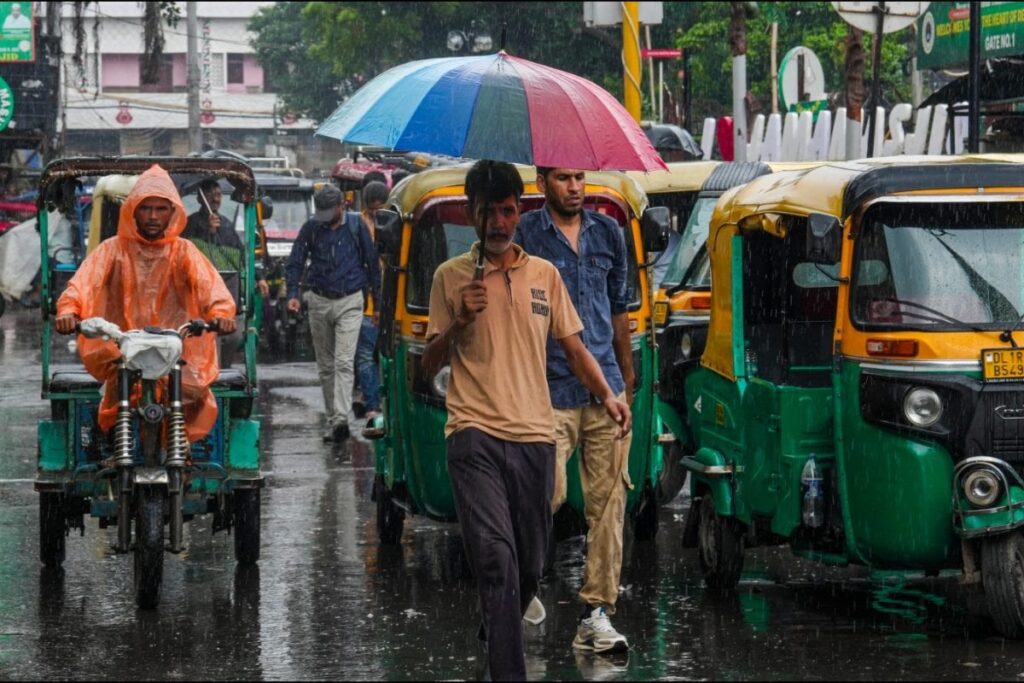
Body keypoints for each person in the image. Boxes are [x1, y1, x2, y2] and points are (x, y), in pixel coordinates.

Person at [422, 160, 631, 681]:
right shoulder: (450, 278)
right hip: (473, 435)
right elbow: (425, 366)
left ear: (519, 212)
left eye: (507, 211)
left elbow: (576, 348)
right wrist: (459, 321)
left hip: (535, 435)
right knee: (497, 558)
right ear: (471, 214)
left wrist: (609, 394)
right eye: (488, 212)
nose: (498, 222)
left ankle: (499, 621)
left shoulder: (544, 275)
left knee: (532, 562)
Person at [516, 166, 635, 654]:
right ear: (543, 182)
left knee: (608, 506)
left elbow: (619, 309)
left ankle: (595, 614)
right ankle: (519, 583)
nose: (575, 187)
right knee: (547, 493)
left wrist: (626, 381)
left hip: (605, 389)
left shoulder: (609, 232)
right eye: (564, 178)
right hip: (548, 388)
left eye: (580, 177)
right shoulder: (525, 234)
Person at [54, 164, 237, 442]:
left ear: (172, 212)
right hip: (120, 349)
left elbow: (211, 287)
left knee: (195, 391)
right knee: (117, 392)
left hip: (177, 351)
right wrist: (68, 311)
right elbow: (81, 285)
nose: (152, 216)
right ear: (133, 210)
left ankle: (183, 448)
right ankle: (111, 444)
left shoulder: (184, 251)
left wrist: (221, 313)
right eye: (146, 208)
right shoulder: (111, 250)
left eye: (160, 209)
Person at [285, 184, 380, 442]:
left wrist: (378, 304)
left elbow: (372, 264)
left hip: (350, 299)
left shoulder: (356, 226)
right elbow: (295, 261)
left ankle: (340, 418)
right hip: (319, 300)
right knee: (326, 366)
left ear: (341, 206)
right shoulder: (311, 228)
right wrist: (293, 293)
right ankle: (333, 420)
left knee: (344, 362)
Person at [181, 178, 268, 367]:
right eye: (210, 195)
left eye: (218, 195)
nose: (215, 199)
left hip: (226, 291)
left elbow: (241, 256)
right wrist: (207, 231)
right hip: (197, 295)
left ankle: (223, 371)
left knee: (233, 337)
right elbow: (185, 251)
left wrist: (259, 278)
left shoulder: (227, 225)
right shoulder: (190, 224)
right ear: (200, 198)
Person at [354, 180, 388, 421]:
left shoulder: (391, 222)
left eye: (380, 208)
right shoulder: (359, 225)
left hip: (390, 301)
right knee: (368, 355)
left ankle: (374, 400)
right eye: (374, 209)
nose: (377, 214)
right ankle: (373, 404)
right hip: (368, 303)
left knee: (380, 356)